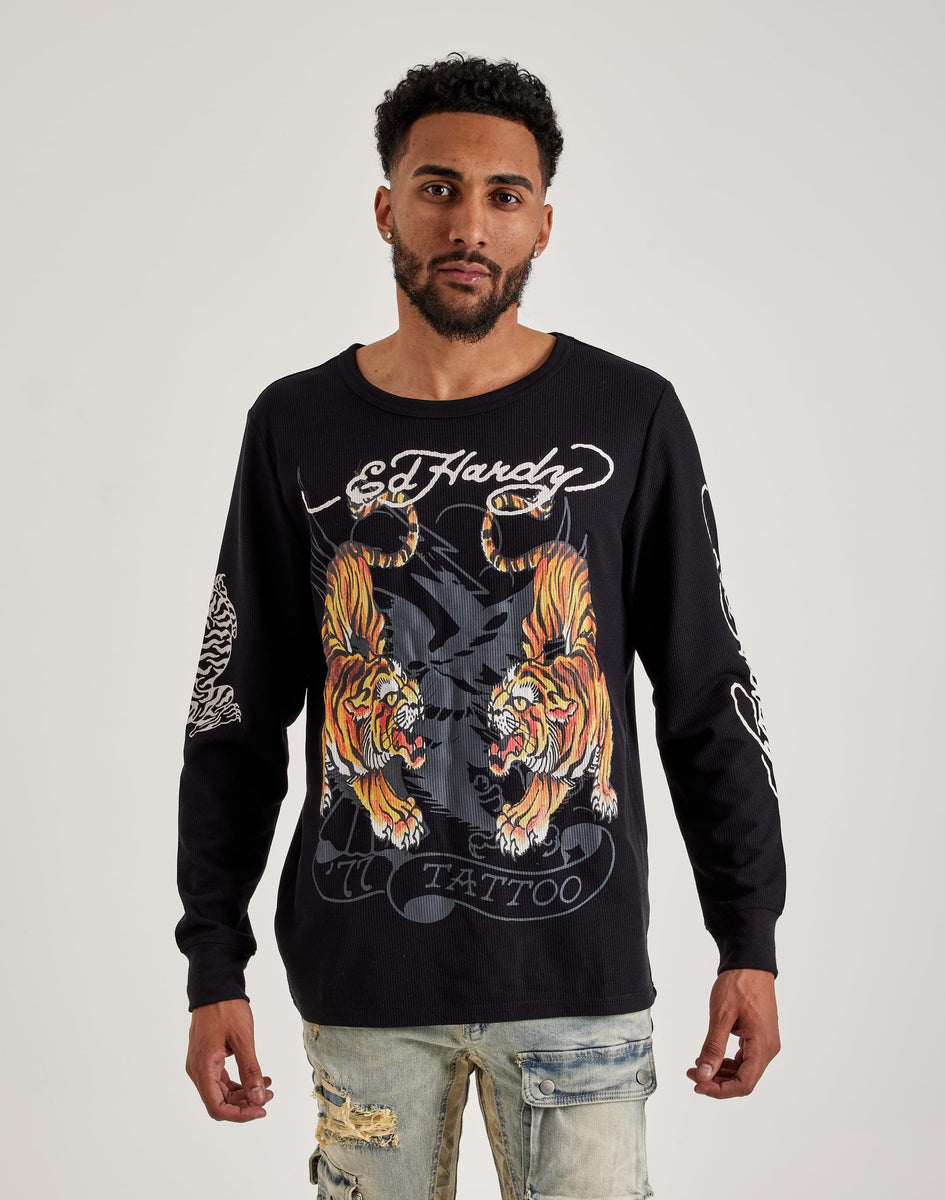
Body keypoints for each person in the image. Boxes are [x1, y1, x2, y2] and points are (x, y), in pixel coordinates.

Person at [177, 53, 786, 1199]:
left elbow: (706, 693)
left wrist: (748, 940)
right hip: (364, 989)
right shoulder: (296, 426)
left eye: (504, 195)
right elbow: (235, 712)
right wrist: (215, 959)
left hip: (576, 980)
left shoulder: (630, 415)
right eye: (438, 187)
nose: (468, 224)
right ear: (386, 207)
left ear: (542, 222)